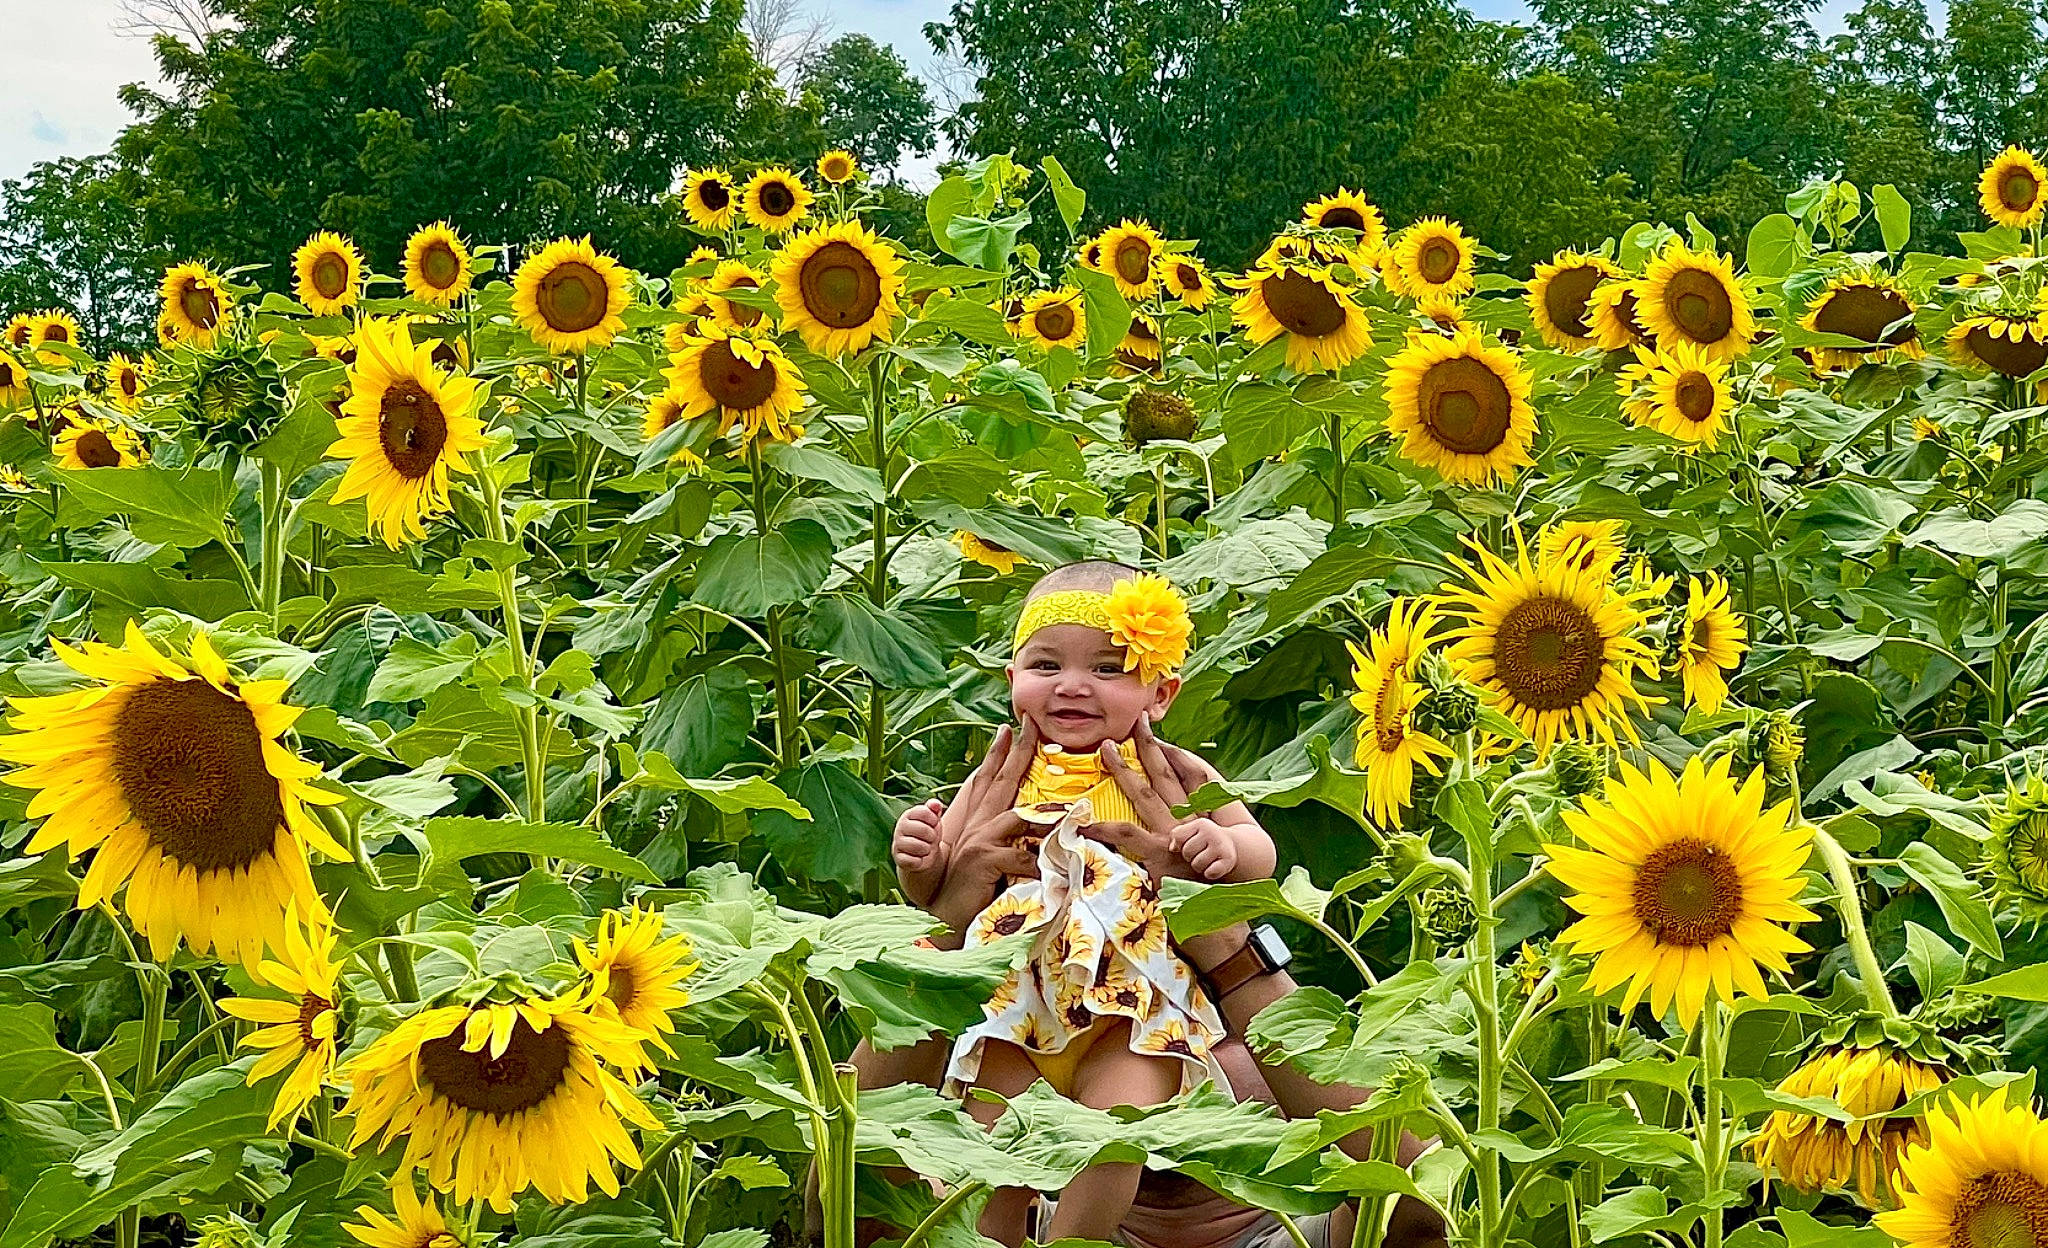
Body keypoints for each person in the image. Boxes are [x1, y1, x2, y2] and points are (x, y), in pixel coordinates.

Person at [892, 561, 1279, 1246]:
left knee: (1113, 1141)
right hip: (1012, 1009)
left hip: (1131, 1014)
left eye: (1107, 669)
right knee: (989, 1157)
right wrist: (920, 858)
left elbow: (1259, 851)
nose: (1072, 685)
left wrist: (1221, 845)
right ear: (1011, 679)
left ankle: (1073, 1240)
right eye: (1046, 665)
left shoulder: (1174, 772)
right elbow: (943, 885)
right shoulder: (1002, 773)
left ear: (1161, 693)